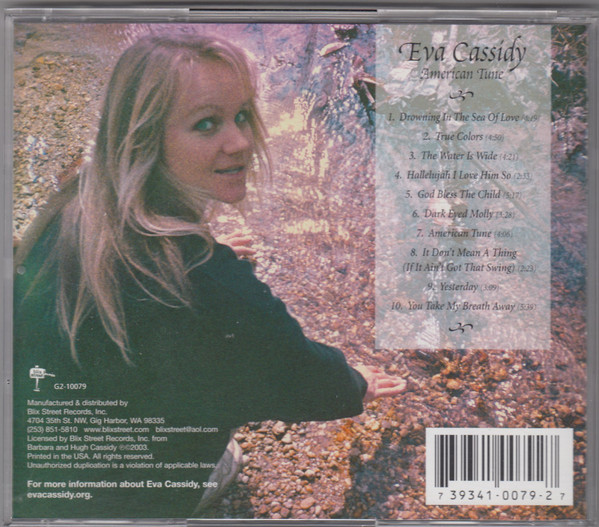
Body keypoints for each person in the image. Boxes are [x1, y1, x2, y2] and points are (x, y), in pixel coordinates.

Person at [13, 34, 405, 519]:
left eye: (241, 115)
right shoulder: (211, 285)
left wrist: (196, 250)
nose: (240, 141)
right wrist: (353, 383)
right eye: (206, 123)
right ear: (143, 138)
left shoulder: (77, 200)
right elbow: (293, 374)